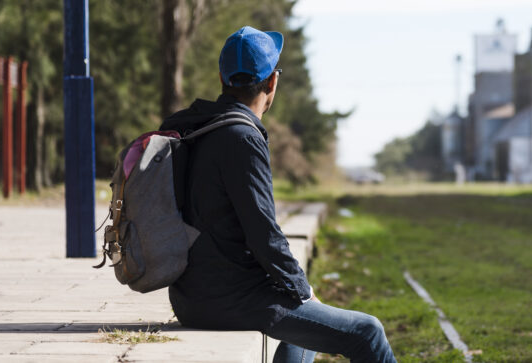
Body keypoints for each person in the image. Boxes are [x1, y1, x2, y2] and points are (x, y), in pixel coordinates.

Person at [160, 26, 397, 363]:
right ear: (272, 82)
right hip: (232, 299)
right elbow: (264, 234)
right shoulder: (242, 137)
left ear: (221, 77)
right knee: (367, 332)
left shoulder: (192, 126)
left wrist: (298, 291)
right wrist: (303, 290)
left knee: (304, 324)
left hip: (188, 296)